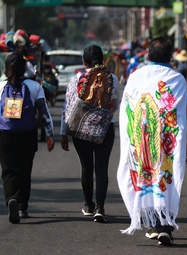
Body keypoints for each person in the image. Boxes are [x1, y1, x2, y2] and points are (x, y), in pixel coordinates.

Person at [117, 37, 187, 246]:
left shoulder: (135, 76)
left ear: (148, 55)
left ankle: (155, 225)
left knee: (147, 179)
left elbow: (126, 109)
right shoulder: (178, 79)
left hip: (141, 142)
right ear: (170, 55)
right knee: (166, 178)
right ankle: (163, 225)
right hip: (168, 141)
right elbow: (185, 113)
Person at [60, 45, 120, 223]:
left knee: (86, 167)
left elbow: (68, 106)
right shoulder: (112, 78)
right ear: (103, 60)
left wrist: (64, 132)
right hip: (105, 128)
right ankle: (100, 208)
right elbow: (115, 104)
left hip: (80, 129)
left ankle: (89, 205)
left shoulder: (76, 78)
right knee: (102, 168)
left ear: (84, 61)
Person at [0, 53, 55, 223]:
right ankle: (22, 207)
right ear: (25, 68)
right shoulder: (34, 86)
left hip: (5, 135)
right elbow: (44, 112)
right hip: (28, 135)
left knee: (9, 171)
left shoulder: (1, 86)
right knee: (25, 170)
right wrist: (50, 134)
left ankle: (11, 199)